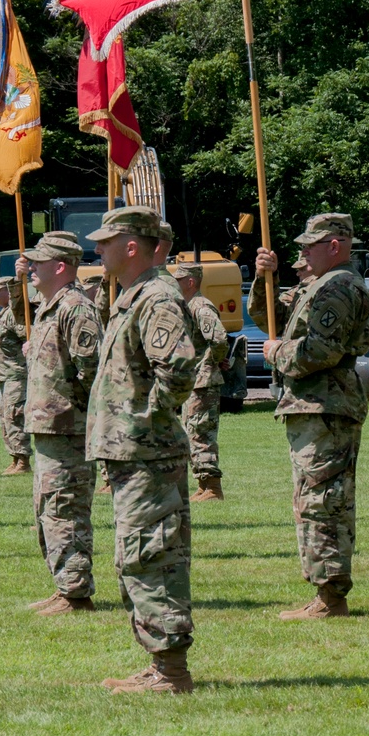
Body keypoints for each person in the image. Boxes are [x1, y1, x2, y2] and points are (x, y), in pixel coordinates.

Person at [86, 207, 199, 694]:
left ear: (131, 246)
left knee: (151, 556)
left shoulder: (156, 298)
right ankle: (158, 664)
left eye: (106, 241)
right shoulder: (133, 298)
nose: (98, 250)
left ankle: (171, 672)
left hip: (147, 452)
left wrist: (146, 420)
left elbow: (177, 367)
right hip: (132, 453)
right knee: (136, 556)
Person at [253, 213, 369, 619]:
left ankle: (331, 595)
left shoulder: (339, 286)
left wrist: (276, 354)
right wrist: (262, 278)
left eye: (310, 245)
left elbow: (321, 351)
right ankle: (324, 590)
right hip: (312, 405)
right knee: (312, 497)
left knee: (324, 500)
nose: (302, 252)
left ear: (335, 245)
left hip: (327, 405)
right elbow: (267, 317)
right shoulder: (318, 285)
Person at [21, 231, 103, 616]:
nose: (31, 267)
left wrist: (84, 418)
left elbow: (92, 371)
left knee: (64, 508)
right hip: (49, 426)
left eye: (39, 261)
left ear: (61, 266)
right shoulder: (48, 307)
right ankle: (63, 585)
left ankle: (76, 593)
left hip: (68, 428)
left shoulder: (75, 307)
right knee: (48, 508)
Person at [174, 261, 229, 502]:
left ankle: (213, 488)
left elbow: (218, 339)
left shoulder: (200, 306)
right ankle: (203, 484)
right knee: (191, 431)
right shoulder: (187, 306)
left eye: (178, 280)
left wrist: (212, 362)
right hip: (193, 381)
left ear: (191, 281)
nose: (174, 284)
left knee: (201, 433)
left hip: (203, 382)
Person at [0, 277, 30, 475]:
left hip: (16, 373)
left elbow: (25, 333)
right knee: (5, 417)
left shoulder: (15, 315)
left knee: (15, 415)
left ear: (9, 292)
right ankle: (14, 457)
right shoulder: (3, 313)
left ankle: (23, 459)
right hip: (3, 374)